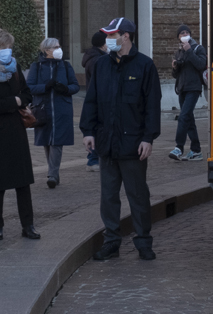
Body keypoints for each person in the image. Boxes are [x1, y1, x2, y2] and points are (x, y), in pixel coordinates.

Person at [80, 17, 161, 261]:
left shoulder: (145, 66)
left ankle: (143, 242)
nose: (108, 40)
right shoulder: (102, 65)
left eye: (112, 35)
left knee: (138, 196)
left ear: (125, 36)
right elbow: (91, 100)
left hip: (134, 144)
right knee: (108, 197)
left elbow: (152, 107)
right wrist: (88, 131)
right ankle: (111, 242)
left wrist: (148, 138)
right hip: (107, 144)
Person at [0, 28, 39, 241]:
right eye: (3, 48)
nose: (7, 51)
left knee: (23, 182)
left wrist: (20, 100)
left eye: (9, 47)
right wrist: (15, 101)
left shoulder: (15, 68)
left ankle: (28, 225)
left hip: (16, 130)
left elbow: (27, 93)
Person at [26, 37, 80, 188]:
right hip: (43, 109)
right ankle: (54, 172)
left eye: (59, 46)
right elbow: (29, 87)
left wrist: (66, 89)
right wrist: (45, 87)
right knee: (47, 142)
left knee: (57, 142)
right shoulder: (36, 67)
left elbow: (75, 85)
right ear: (46, 50)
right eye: (55, 47)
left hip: (61, 109)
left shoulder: (66, 66)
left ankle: (52, 175)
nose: (58, 49)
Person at [169, 24, 207, 162]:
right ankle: (196, 150)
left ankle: (178, 147)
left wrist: (190, 51)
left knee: (183, 117)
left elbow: (201, 64)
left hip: (194, 88)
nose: (184, 35)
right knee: (189, 120)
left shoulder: (198, 48)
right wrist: (174, 67)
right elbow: (176, 75)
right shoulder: (179, 52)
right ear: (178, 37)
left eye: (186, 33)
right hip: (182, 89)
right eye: (181, 34)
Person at [80, 31, 108, 172]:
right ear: (103, 44)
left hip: (95, 96)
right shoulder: (98, 60)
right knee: (96, 128)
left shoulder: (92, 57)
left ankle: (93, 158)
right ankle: (92, 159)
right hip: (98, 98)